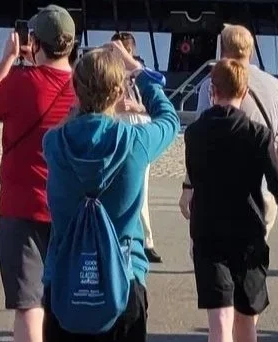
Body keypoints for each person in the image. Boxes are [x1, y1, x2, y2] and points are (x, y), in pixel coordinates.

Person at [44, 38, 180, 340]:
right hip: (124, 278)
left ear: (75, 90)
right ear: (119, 93)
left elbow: (70, 124)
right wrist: (138, 72)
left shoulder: (54, 143)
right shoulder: (137, 142)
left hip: (65, 281)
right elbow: (169, 118)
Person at [0, 4, 81, 342]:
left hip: (22, 208)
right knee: (66, 304)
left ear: (35, 43)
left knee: (29, 305)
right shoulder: (83, 89)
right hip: (70, 210)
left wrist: (7, 59)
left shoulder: (24, 82)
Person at [182, 60, 278, 342]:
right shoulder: (258, 135)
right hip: (247, 234)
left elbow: (196, 177)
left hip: (208, 233)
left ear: (213, 90)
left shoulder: (194, 134)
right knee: (247, 319)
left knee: (219, 322)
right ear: (245, 91)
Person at [190, 25, 278, 164]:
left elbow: (199, 138)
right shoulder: (276, 85)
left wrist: (190, 181)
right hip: (259, 178)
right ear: (251, 51)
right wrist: (274, 170)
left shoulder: (212, 84)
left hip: (218, 177)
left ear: (222, 50)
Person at [112, 30, 169, 264]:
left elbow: (159, 84)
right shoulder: (110, 73)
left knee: (140, 188)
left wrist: (137, 108)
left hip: (139, 127)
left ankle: (147, 240)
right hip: (118, 128)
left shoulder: (141, 73)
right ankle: (129, 236)